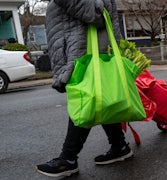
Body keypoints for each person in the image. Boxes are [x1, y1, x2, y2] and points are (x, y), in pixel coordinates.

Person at [35, 0, 132, 177]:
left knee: (84, 102)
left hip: (86, 51)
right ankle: (119, 146)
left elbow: (95, 12)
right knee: (100, 99)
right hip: (80, 49)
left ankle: (68, 158)